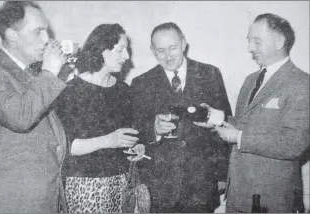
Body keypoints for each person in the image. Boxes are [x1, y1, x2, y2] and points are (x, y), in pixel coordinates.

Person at [196, 13, 309, 213]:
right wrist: (219, 119)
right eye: (249, 41)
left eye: (257, 41)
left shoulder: (301, 83)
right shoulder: (251, 79)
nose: (249, 49)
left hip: (272, 200)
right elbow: (245, 123)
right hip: (238, 195)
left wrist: (238, 137)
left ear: (279, 41)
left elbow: (295, 143)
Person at [0, 1, 68, 213]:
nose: (47, 39)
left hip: (42, 198)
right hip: (11, 201)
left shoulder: (32, 75)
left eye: (47, 31)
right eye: (38, 32)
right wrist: (51, 72)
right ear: (12, 35)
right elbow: (21, 116)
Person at [130, 22, 233, 213]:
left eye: (173, 48)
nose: (168, 56)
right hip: (159, 189)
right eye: (160, 50)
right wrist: (154, 130)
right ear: (152, 50)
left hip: (201, 185)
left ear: (184, 44)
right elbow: (135, 132)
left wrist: (222, 175)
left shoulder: (210, 74)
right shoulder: (141, 83)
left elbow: (225, 121)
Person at [53, 23, 145, 213]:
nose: (127, 56)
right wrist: (109, 140)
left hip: (121, 181)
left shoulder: (124, 91)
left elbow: (131, 136)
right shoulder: (70, 92)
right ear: (101, 50)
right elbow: (67, 147)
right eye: (120, 50)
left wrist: (138, 147)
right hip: (85, 185)